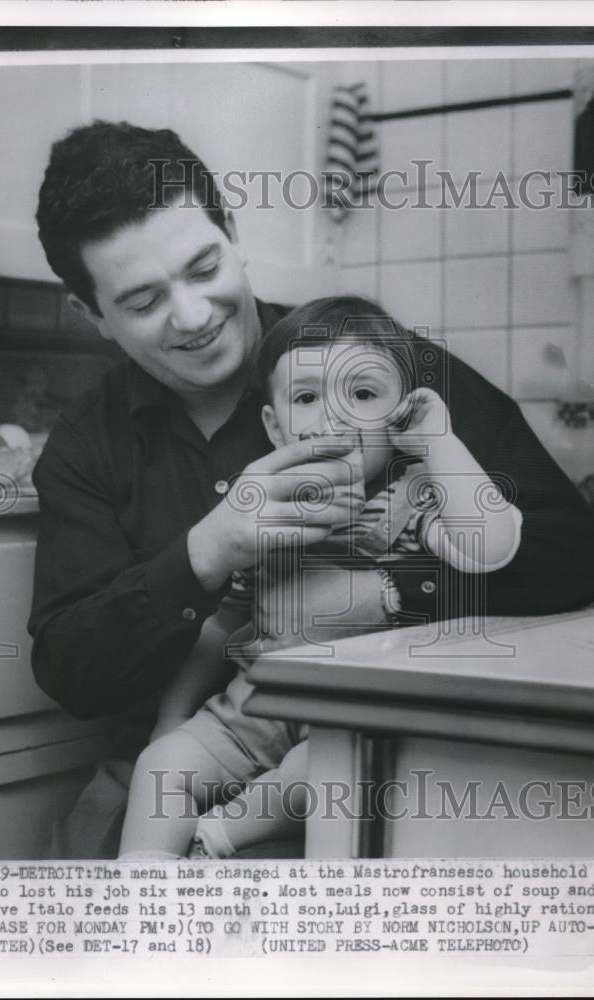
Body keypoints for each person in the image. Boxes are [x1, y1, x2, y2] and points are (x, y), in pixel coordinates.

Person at [29, 120, 594, 858]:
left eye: (203, 267)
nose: (193, 316)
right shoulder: (90, 443)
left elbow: (574, 554)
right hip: (194, 746)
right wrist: (206, 552)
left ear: (234, 234)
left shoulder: (379, 370)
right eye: (143, 302)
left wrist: (392, 590)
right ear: (92, 318)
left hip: (382, 751)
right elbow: (70, 669)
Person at [117, 296, 525, 860]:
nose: (334, 416)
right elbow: (222, 622)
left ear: (400, 413)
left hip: (348, 721)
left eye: (362, 394)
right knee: (159, 767)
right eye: (307, 398)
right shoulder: (264, 507)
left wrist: (439, 443)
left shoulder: (414, 496)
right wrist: (173, 716)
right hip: (253, 709)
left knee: (325, 776)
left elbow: (491, 546)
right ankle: (140, 888)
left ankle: (221, 835)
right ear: (276, 426)